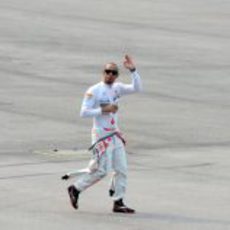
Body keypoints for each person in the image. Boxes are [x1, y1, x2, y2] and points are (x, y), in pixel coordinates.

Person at [62, 55, 142, 214]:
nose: (110, 75)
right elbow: (83, 112)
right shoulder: (94, 91)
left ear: (117, 75)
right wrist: (103, 110)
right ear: (102, 73)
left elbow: (137, 88)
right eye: (107, 71)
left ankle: (118, 202)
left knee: (122, 169)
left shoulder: (117, 88)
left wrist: (133, 70)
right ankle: (75, 188)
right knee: (101, 170)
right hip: (100, 135)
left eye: (113, 72)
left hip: (114, 134)